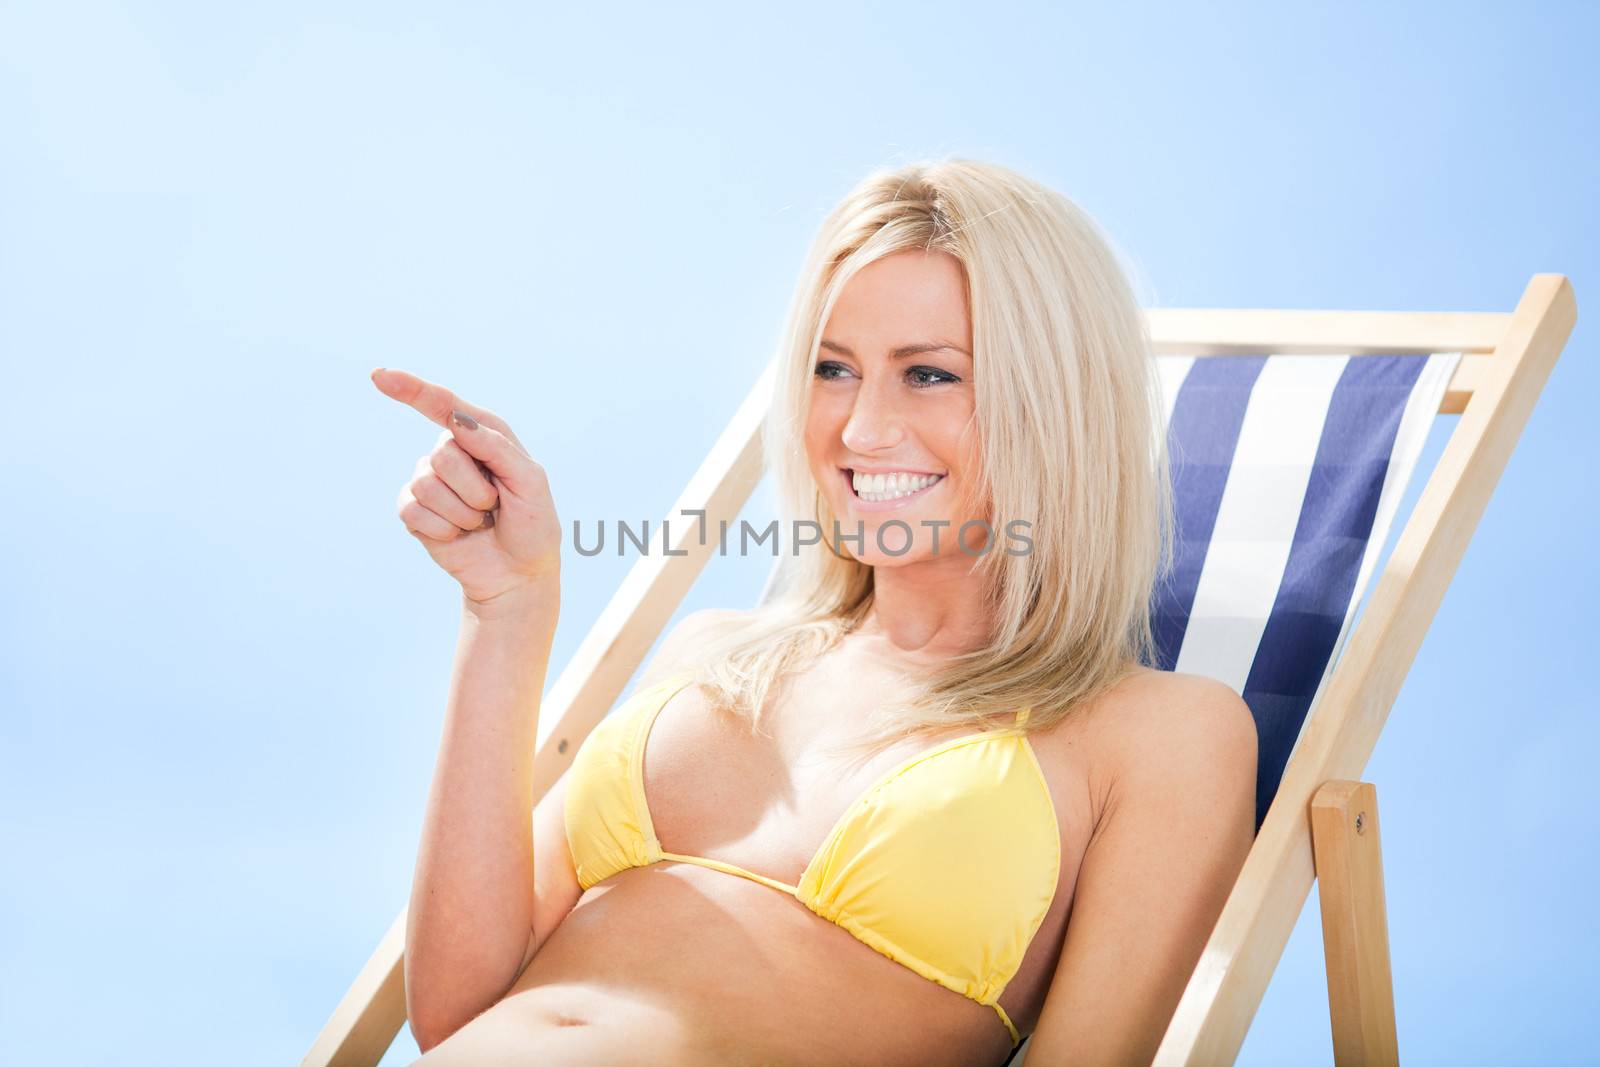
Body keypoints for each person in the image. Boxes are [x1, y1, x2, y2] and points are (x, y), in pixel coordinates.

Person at [370, 158, 1258, 1067]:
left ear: (1056, 402)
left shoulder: (1161, 735)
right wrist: (507, 610)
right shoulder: (712, 651)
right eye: (833, 368)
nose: (861, 429)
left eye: (929, 376)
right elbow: (453, 1010)